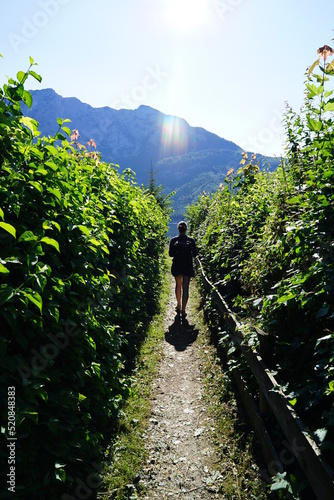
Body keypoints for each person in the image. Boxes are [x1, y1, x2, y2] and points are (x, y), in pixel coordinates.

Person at [169, 221, 198, 319]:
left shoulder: (173, 240)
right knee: (186, 288)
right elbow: (194, 254)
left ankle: (178, 305)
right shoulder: (191, 241)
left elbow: (170, 254)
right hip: (187, 266)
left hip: (177, 266)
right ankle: (184, 310)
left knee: (178, 285)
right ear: (186, 229)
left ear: (178, 229)